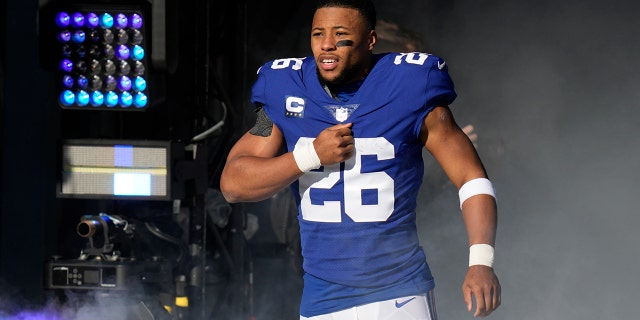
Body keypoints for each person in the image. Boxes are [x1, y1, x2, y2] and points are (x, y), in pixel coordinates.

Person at [220, 0, 501, 319]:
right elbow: (233, 183)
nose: (326, 44)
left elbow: (471, 177)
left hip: (398, 294)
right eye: (318, 33)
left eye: (340, 34)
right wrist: (310, 155)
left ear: (370, 39)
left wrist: (481, 261)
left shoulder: (410, 86)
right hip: (321, 299)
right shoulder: (285, 94)